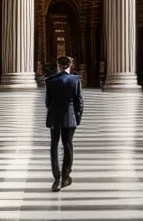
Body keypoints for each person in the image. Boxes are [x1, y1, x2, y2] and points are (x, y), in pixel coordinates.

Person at [45, 54, 83, 191]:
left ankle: (57, 179)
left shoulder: (50, 80)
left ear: (58, 65)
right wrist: (77, 118)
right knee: (67, 146)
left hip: (54, 117)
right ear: (70, 65)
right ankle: (66, 176)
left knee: (54, 147)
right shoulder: (75, 80)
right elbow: (79, 101)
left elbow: (48, 102)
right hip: (69, 117)